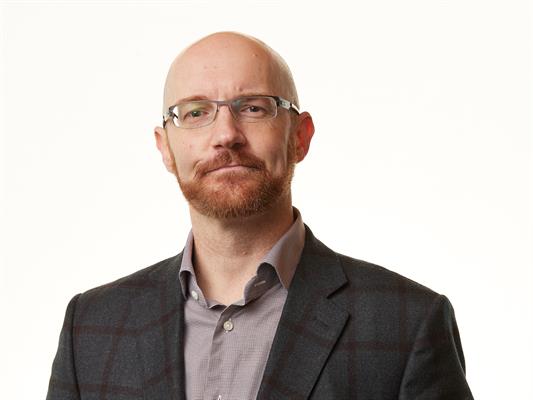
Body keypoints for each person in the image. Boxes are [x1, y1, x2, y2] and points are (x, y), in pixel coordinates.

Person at [47, 32, 474, 400]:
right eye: (195, 112)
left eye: (253, 107)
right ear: (165, 148)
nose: (226, 135)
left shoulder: (406, 324)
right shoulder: (90, 327)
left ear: (300, 137)